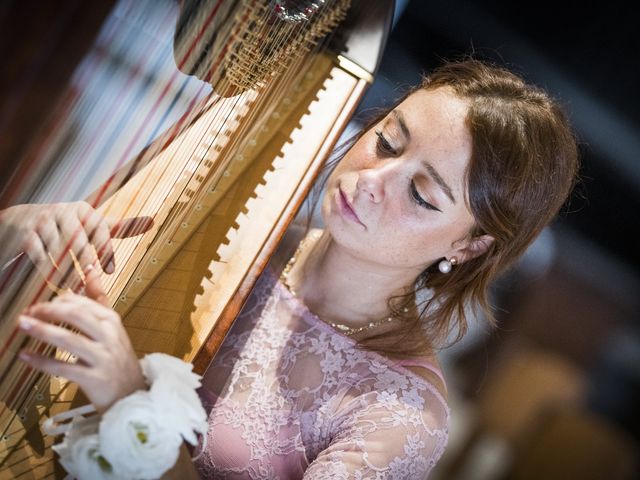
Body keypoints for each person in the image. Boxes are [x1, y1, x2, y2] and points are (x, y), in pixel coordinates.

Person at [16, 58, 579, 479]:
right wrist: (19, 231)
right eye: (386, 141)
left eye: (423, 195)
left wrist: (129, 404)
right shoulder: (236, 227)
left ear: (471, 247)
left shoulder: (401, 414)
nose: (371, 180)